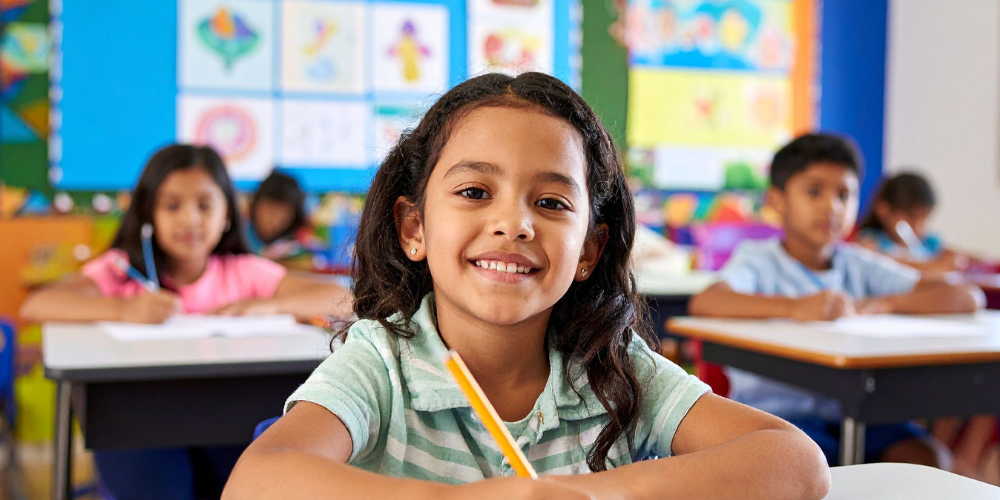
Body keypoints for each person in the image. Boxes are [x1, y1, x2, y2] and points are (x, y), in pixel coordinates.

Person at [223, 73, 830, 500]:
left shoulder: (611, 369)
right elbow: (257, 482)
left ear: (589, 250)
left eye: (549, 201)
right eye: (474, 192)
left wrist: (599, 494)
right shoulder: (382, 363)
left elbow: (797, 463)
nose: (514, 223)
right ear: (415, 228)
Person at [20, 144, 353, 499]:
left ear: (227, 215)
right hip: (139, 423)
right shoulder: (120, 270)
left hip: (231, 419)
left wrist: (268, 305)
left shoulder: (243, 272)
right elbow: (37, 304)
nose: (190, 219)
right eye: (172, 205)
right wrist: (124, 309)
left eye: (205, 205)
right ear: (149, 213)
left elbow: (345, 299)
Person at [689, 133, 983, 466]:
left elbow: (965, 296)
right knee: (803, 466)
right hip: (779, 415)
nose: (832, 206)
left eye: (845, 194)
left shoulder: (857, 261)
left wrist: (885, 303)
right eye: (814, 191)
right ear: (777, 199)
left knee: (930, 460)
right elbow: (707, 301)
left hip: (860, 413)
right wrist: (795, 308)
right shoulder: (759, 260)